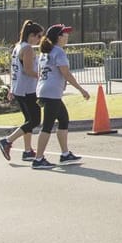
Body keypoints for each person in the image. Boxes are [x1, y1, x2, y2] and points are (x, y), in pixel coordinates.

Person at [32, 24, 90, 170]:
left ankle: (65, 154)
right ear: (58, 37)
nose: (67, 36)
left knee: (63, 119)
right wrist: (81, 89)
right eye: (64, 34)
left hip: (45, 90)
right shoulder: (58, 51)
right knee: (47, 126)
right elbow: (66, 73)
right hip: (51, 92)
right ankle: (38, 159)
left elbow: (43, 72)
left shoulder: (46, 52)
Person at [0, 20, 44, 161]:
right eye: (38, 36)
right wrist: (42, 76)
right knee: (35, 120)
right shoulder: (28, 49)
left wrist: (12, 87)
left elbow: (13, 69)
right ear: (31, 35)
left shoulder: (17, 47)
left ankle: (27, 150)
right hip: (28, 89)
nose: (40, 39)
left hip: (19, 88)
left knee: (28, 120)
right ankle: (8, 140)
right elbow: (28, 70)